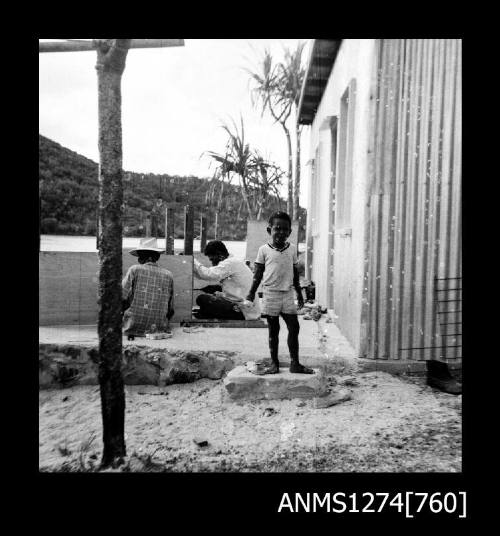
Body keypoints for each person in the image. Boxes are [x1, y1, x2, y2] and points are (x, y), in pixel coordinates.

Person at [246, 211, 313, 374]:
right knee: (273, 330)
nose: (281, 232)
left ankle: (295, 363)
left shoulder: (292, 249)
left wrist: (299, 292)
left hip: (287, 294)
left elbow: (295, 274)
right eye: (277, 228)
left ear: (290, 232)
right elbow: (258, 275)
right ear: (270, 230)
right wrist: (250, 294)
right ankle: (274, 363)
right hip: (270, 295)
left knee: (294, 327)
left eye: (285, 229)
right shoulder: (263, 250)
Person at [193, 240, 261, 321]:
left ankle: (210, 313)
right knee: (208, 299)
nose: (212, 262)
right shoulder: (233, 261)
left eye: (212, 259)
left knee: (202, 299)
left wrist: (192, 261)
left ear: (220, 255)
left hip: (243, 311)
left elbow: (207, 274)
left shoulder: (229, 263)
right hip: (249, 310)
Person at [122, 237, 174, 337]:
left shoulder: (134, 269)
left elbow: (121, 296)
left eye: (140, 256)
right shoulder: (169, 275)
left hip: (133, 326)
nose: (138, 259)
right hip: (159, 327)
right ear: (156, 257)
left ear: (143, 257)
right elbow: (170, 309)